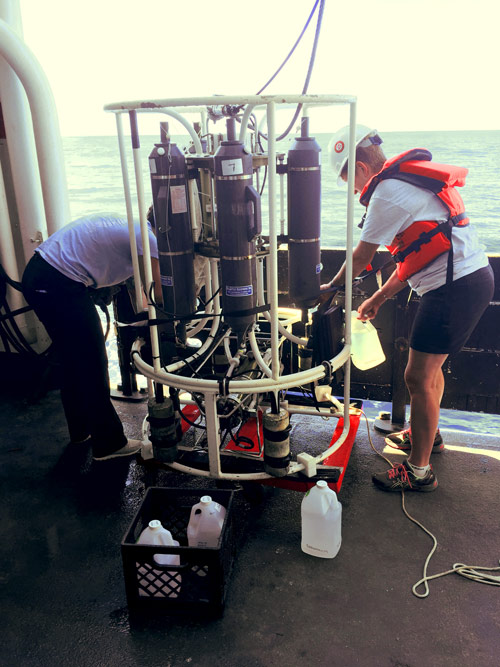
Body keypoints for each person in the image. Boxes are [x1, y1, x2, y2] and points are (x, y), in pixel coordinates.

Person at [321, 125, 494, 492]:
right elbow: (416, 256)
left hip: (453, 288)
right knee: (430, 373)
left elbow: (362, 257)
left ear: (362, 169)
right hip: (466, 281)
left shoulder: (386, 192)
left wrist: (330, 287)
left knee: (417, 377)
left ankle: (418, 472)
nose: (352, 190)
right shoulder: (404, 186)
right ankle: (428, 438)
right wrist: (379, 297)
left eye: (347, 179)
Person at [22, 212, 162, 461]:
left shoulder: (130, 223)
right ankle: (109, 443)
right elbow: (158, 293)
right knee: (91, 361)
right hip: (59, 283)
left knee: (72, 359)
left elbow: (130, 281)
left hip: (40, 273)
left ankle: (80, 431)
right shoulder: (148, 238)